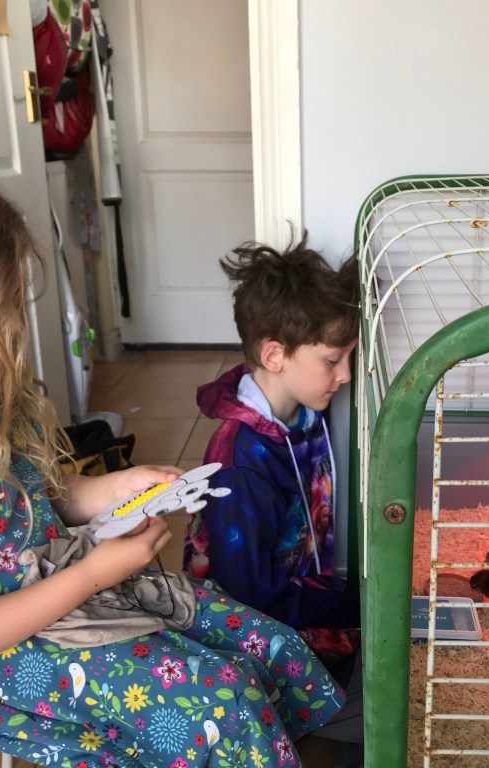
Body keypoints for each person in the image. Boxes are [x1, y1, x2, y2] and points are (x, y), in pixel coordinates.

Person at [0, 144, 344, 768]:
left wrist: (119, 488)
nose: (13, 324)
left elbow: (39, 494)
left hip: (68, 594)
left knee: (267, 642)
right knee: (220, 702)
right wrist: (94, 575)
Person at [183, 233, 364, 761]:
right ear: (275, 355)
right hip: (244, 634)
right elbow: (248, 594)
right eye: (333, 360)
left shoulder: (301, 411)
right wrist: (349, 603)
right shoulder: (242, 464)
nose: (345, 375)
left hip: (296, 594)